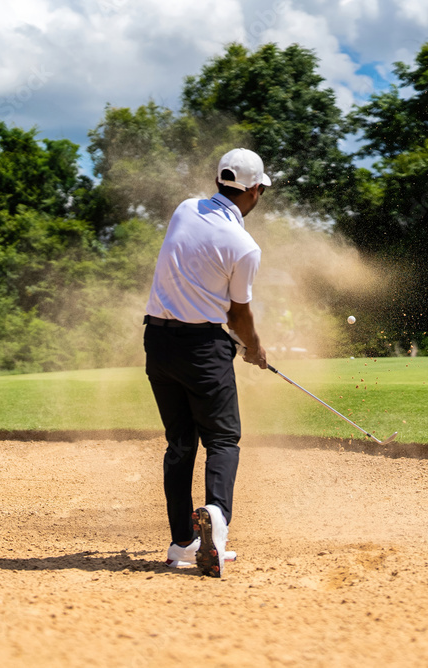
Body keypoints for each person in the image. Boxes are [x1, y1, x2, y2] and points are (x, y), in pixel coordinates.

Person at [143, 147, 270, 578]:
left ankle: (182, 542)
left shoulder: (184, 209)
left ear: (219, 181)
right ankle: (216, 519)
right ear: (253, 191)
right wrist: (255, 347)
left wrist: (243, 340)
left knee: (180, 444)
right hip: (203, 349)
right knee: (222, 440)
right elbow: (238, 314)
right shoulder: (245, 246)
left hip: (157, 343)